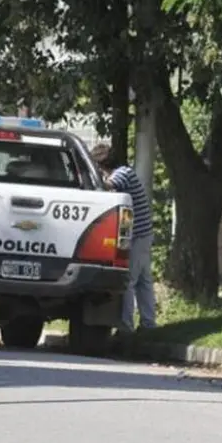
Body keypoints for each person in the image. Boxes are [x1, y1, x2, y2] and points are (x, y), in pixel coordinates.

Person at [90, 143, 157, 334]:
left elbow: (107, 186)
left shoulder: (122, 174)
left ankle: (126, 326)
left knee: (128, 282)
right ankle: (148, 323)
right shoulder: (125, 171)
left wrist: (92, 175)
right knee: (143, 281)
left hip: (138, 235)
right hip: (141, 234)